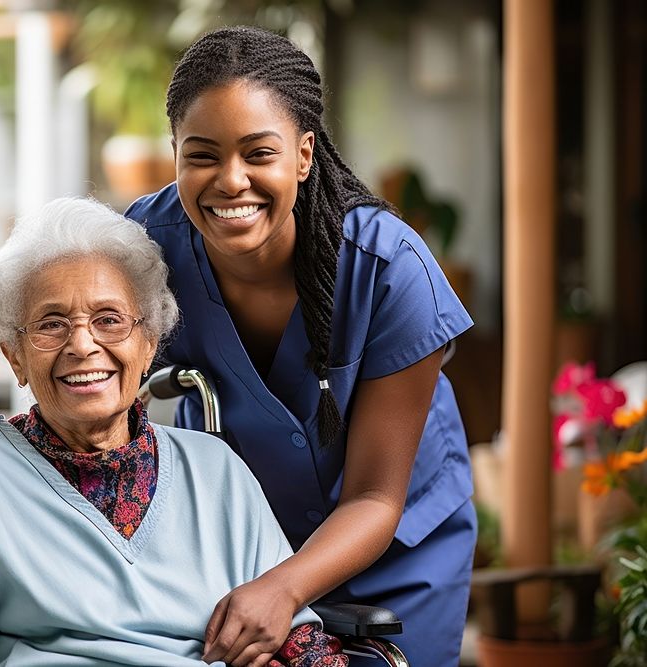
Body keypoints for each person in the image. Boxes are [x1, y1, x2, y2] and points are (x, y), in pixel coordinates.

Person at [125, 26, 476, 667]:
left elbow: (375, 497)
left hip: (396, 551)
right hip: (237, 552)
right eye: (201, 155)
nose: (231, 182)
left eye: (259, 153)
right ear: (174, 152)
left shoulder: (387, 268)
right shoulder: (142, 250)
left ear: (304, 155)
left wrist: (283, 589)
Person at [0, 197, 349, 666]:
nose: (82, 345)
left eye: (108, 320)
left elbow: (295, 635)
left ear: (148, 346)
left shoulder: (216, 467)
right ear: (15, 357)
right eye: (51, 324)